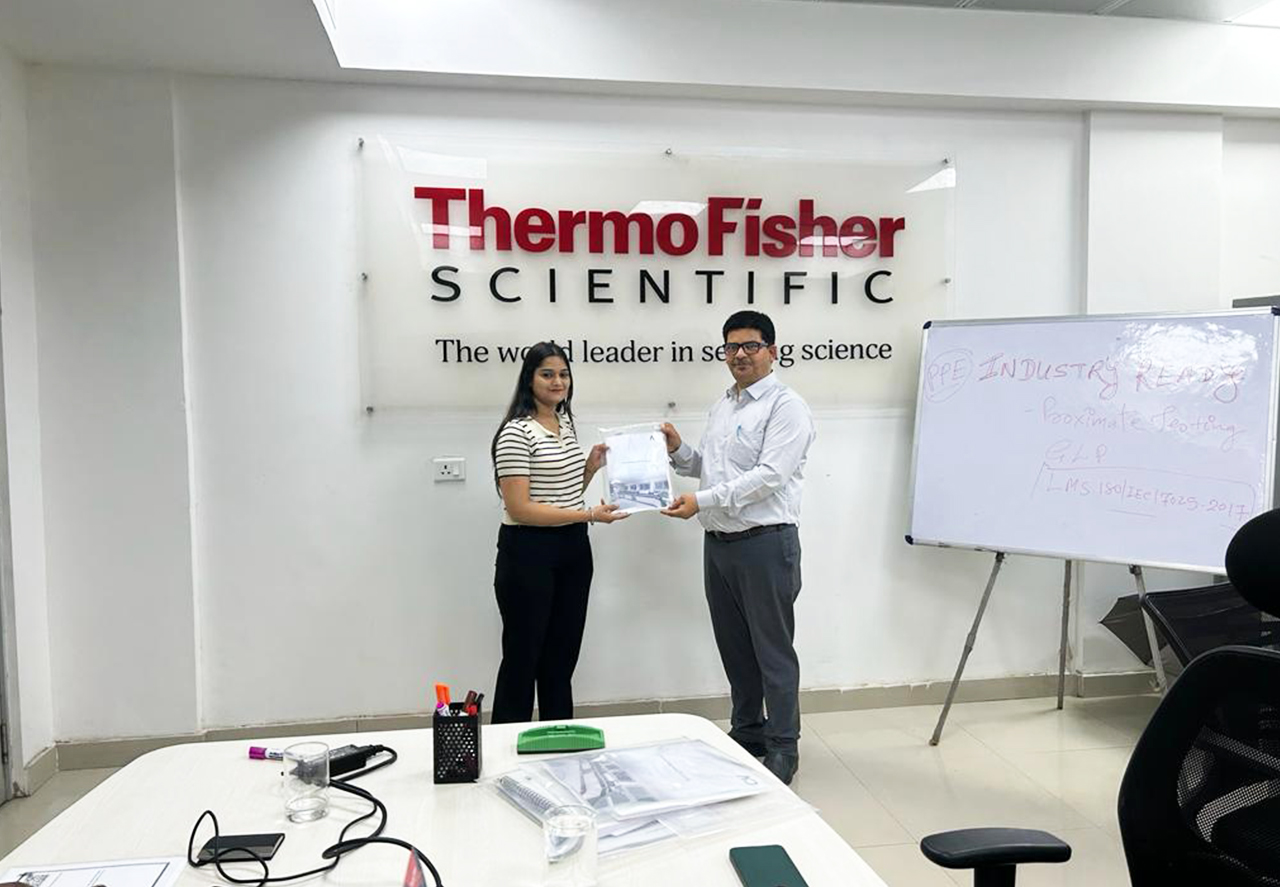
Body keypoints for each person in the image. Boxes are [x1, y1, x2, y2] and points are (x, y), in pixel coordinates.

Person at [660, 311, 815, 785]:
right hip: (720, 545)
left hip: (765, 544)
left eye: (750, 346)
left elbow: (769, 477)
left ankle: (783, 744)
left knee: (772, 651)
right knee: (735, 648)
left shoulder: (787, 407)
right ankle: (748, 731)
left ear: (772, 351)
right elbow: (712, 467)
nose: (740, 355)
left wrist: (700, 501)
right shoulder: (724, 405)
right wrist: (677, 449)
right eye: (731, 347)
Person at [489, 341, 627, 724]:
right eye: (547, 374)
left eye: (563, 374)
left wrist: (591, 467)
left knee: (561, 659)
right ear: (529, 379)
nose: (557, 382)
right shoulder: (516, 432)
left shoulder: (564, 423)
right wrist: (589, 514)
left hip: (573, 548)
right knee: (522, 659)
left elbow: (561, 494)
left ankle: (559, 739)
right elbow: (520, 508)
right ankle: (506, 744)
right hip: (528, 551)